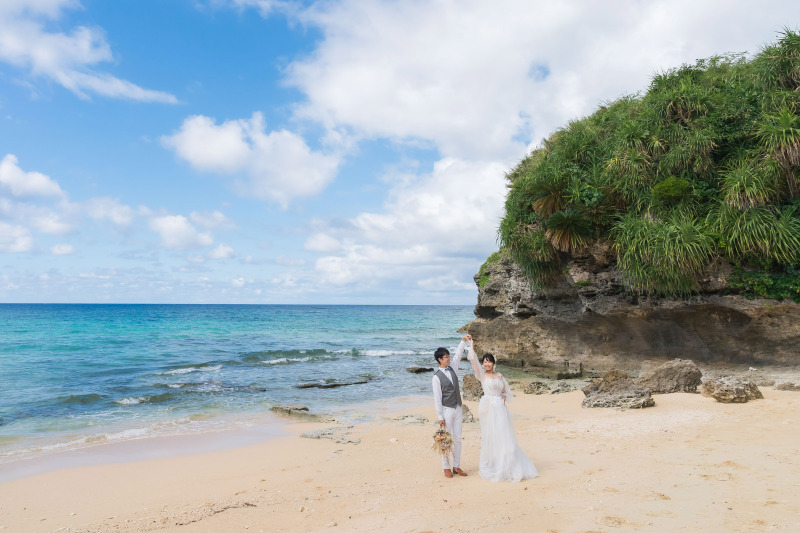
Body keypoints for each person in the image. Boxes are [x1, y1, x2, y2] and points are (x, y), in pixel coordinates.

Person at [466, 342, 538, 482]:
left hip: (500, 408)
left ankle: (507, 463)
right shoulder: (481, 375)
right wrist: (471, 346)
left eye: (489, 361)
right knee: (490, 435)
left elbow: (506, 392)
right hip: (487, 407)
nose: (487, 364)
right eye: (485, 362)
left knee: (504, 435)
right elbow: (473, 360)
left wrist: (503, 397)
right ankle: (493, 463)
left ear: (493, 363)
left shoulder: (499, 376)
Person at [431, 335, 470, 478]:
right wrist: (440, 417)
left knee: (458, 438)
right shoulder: (436, 377)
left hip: (458, 408)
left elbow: (459, 355)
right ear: (440, 359)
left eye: (448, 356)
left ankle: (457, 466)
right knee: (446, 439)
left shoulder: (453, 368)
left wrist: (463, 341)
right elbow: (437, 398)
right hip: (446, 410)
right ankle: (446, 467)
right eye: (446, 357)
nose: (449, 358)